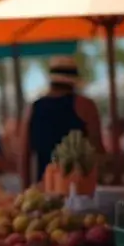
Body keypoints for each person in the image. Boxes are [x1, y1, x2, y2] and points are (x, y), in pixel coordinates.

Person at [21, 56, 103, 186]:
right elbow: (98, 149)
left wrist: (26, 190)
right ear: (73, 81)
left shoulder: (32, 108)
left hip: (45, 186)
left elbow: (24, 156)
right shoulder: (85, 106)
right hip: (79, 188)